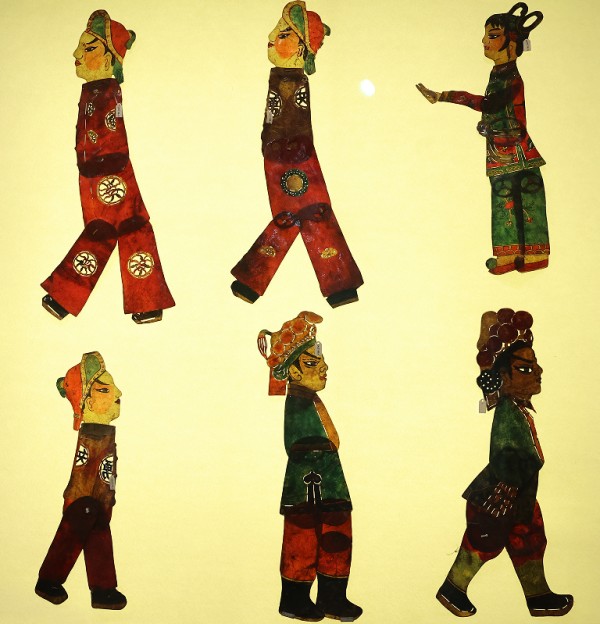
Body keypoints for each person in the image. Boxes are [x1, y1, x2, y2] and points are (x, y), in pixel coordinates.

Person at [436, 309, 573, 618]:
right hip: (499, 493)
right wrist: (510, 486)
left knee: (529, 540)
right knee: (483, 542)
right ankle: (453, 588)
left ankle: (538, 595)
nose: (538, 372)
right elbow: (504, 454)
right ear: (503, 377)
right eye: (525, 369)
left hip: (520, 491)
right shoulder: (508, 413)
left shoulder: (518, 409)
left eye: (535, 366)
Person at [41, 9, 175, 324]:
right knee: (126, 229)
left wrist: (99, 166)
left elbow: (111, 131)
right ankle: (145, 302)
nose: (77, 54)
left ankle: (65, 296)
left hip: (107, 173)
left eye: (88, 48)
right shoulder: (95, 90)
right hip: (98, 172)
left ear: (108, 57)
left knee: (115, 229)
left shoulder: (106, 91)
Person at [231, 2, 363, 308]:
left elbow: (290, 119)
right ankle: (339, 284)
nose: (271, 37)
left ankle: (253, 280)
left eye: (283, 34)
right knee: (306, 213)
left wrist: (281, 149)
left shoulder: (290, 79)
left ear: (301, 48)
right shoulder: (283, 77)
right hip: (283, 150)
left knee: (306, 213)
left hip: (289, 152)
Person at [417, 3, 549, 275]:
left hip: (518, 152)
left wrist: (446, 97)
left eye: (493, 35)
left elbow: (491, 105)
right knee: (504, 204)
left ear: (511, 43)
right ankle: (508, 255)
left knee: (526, 202)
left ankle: (535, 254)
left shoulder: (512, 78)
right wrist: (445, 97)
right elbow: (490, 106)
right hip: (501, 153)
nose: (484, 41)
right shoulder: (498, 74)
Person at [258, 312, 362, 621]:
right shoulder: (298, 402)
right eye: (313, 362)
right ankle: (295, 600)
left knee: (336, 538)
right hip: (308, 484)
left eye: (321, 360)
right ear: (293, 371)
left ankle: (332, 598)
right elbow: (296, 443)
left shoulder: (309, 398)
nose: (324, 367)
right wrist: (319, 454)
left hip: (329, 482)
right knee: (303, 541)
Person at [35, 352, 127, 610]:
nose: (118, 394)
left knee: (99, 531)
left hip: (99, 498)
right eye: (104, 389)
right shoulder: (91, 437)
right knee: (75, 530)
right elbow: (84, 469)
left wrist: (107, 494)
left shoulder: (104, 435)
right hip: (85, 498)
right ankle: (49, 580)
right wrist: (87, 500)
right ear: (87, 401)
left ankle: (103, 590)